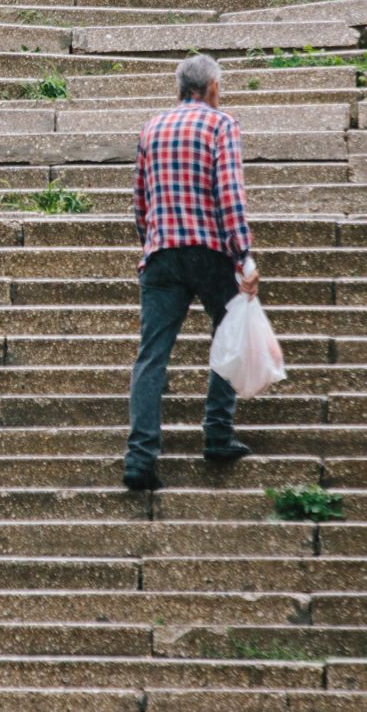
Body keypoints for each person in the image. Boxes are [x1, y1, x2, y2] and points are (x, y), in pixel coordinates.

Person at [124, 52, 259, 492]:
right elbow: (230, 196)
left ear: (180, 87)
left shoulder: (151, 127)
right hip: (209, 252)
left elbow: (140, 201)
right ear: (213, 87)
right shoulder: (222, 126)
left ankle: (140, 459)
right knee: (228, 329)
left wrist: (153, 242)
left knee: (151, 357)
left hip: (162, 254)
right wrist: (244, 257)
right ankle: (217, 433)